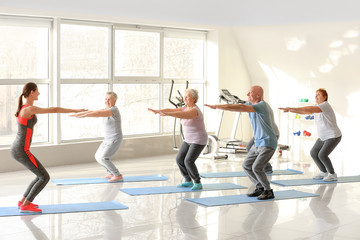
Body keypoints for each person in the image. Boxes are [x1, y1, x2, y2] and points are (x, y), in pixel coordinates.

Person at [11, 82, 86, 213]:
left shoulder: (25, 107)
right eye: (37, 91)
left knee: (39, 175)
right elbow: (55, 109)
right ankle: (25, 205)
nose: (39, 93)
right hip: (21, 150)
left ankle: (23, 201)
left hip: (19, 149)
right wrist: (76, 110)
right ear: (31, 92)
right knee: (44, 177)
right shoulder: (29, 109)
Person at [205, 85, 277, 200]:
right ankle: (260, 187)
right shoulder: (250, 105)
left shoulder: (262, 106)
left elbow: (240, 107)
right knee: (246, 165)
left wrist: (217, 106)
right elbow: (237, 106)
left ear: (258, 95)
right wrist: (221, 106)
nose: (247, 94)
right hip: (258, 142)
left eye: (250, 92)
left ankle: (268, 191)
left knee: (257, 168)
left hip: (267, 142)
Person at [148, 88, 208, 190]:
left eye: (187, 96)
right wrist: (159, 111)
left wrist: (168, 114)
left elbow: (184, 115)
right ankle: (188, 180)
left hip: (198, 140)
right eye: (184, 97)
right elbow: (171, 110)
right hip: (188, 140)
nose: (185, 98)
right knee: (179, 159)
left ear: (193, 98)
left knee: (188, 161)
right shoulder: (185, 108)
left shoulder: (195, 111)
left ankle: (197, 182)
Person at [279, 88, 341, 181]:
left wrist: (293, 108)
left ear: (325, 97)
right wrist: (291, 110)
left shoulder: (325, 105)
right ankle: (324, 172)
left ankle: (332, 174)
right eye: (316, 94)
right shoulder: (317, 106)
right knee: (313, 153)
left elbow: (311, 109)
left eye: (319, 94)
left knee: (322, 155)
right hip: (323, 136)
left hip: (333, 136)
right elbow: (305, 111)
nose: (316, 96)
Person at [71, 91, 123, 182]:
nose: (107, 101)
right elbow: (95, 111)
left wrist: (85, 115)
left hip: (115, 138)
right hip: (107, 139)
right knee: (97, 157)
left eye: (109, 99)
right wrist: (79, 113)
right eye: (105, 99)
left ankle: (117, 175)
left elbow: (98, 114)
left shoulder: (114, 110)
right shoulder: (105, 109)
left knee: (104, 158)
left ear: (114, 100)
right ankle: (110, 173)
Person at [246, 101, 279, 174]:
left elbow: (243, 107)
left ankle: (267, 167)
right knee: (249, 147)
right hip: (260, 135)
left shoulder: (262, 106)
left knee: (258, 150)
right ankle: (263, 166)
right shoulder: (254, 105)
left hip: (271, 134)